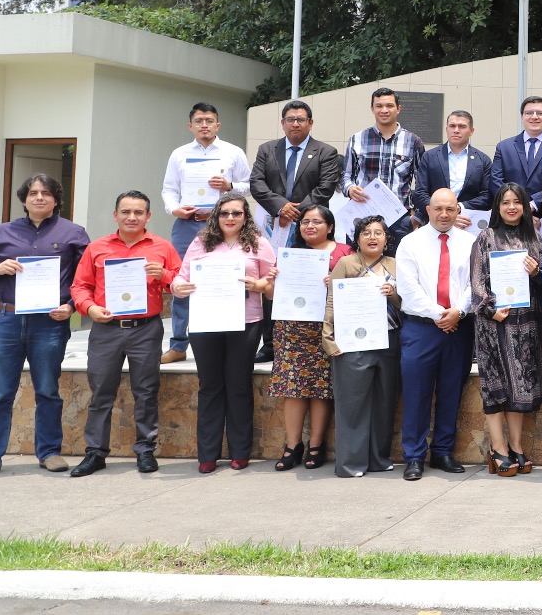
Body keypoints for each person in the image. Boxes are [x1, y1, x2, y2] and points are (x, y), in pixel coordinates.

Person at [69, 190, 181, 476]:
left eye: (138, 212)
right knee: (101, 393)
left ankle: (145, 450)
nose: (132, 217)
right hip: (106, 329)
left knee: (146, 392)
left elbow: (181, 284)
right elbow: (79, 286)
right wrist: (89, 308)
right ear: (115, 214)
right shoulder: (97, 247)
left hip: (146, 329)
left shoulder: (162, 247)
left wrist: (165, 276)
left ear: (148, 216)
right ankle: (95, 453)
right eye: (126, 212)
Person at [172, 190, 276, 472]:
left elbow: (273, 280)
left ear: (245, 217)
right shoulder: (201, 241)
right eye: (224, 213)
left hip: (245, 323)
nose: (230, 218)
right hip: (206, 323)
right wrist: (176, 286)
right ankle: (207, 454)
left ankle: (240, 451)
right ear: (217, 216)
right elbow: (182, 276)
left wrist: (260, 285)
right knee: (210, 386)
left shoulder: (258, 244)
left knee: (238, 384)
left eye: (237, 213)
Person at [0, 174, 90, 473]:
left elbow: (86, 279)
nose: (39, 197)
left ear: (56, 199)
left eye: (46, 193)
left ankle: (49, 452)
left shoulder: (73, 233)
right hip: (7, 319)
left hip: (50, 322)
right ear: (24, 199)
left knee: (48, 389)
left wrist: (72, 307)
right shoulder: (3, 232)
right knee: (0, 391)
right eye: (33, 193)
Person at [467, 183, 542, 478]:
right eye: (506, 203)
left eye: (517, 202)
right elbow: (477, 281)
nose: (512, 207)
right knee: (497, 387)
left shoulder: (535, 239)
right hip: (494, 324)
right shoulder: (485, 237)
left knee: (520, 389)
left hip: (526, 323)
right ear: (498, 207)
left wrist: (536, 272)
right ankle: (498, 450)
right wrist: (491, 309)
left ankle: (516, 447)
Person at [249, 99, 342, 363]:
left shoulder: (326, 151)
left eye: (301, 119)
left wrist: (297, 211)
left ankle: (311, 337)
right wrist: (281, 208)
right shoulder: (267, 149)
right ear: (283, 123)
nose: (296, 123)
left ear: (310, 123)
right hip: (274, 226)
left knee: (307, 279)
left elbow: (325, 187)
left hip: (309, 228)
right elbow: (257, 183)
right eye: (290, 119)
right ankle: (269, 343)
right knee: (272, 279)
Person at [392, 187, 475, 480]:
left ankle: (442, 451)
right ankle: (414, 456)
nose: (444, 214)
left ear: (458, 211)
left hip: (459, 327)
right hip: (421, 328)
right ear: (427, 210)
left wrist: (458, 313)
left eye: (450, 209)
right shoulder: (409, 243)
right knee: (417, 393)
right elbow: (408, 289)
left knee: (451, 390)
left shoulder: (470, 242)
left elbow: (473, 285)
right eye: (438, 208)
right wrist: (440, 314)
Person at [159, 101, 251, 363]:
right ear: (190, 126)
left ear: (217, 124)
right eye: (199, 121)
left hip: (224, 224)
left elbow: (249, 186)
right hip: (188, 224)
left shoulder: (233, 152)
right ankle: (178, 344)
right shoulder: (179, 154)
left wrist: (230, 185)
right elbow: (169, 189)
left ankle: (223, 339)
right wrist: (175, 209)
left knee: (227, 277)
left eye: (209, 121)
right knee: (181, 280)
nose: (204, 125)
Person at [268, 203, 348, 471]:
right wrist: (272, 281)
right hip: (291, 329)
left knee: (321, 389)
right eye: (305, 222)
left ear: (331, 227)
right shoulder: (290, 256)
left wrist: (336, 282)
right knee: (292, 388)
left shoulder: (345, 253)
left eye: (316, 222)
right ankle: (292, 446)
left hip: (327, 328)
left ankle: (316, 445)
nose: (310, 226)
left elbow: (357, 288)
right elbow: (270, 295)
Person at [324, 215, 403, 477]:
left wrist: (393, 294)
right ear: (357, 239)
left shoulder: (395, 264)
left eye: (378, 233)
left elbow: (406, 304)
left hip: (389, 341)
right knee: (353, 404)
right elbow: (332, 301)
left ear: (386, 239)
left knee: (383, 402)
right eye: (366, 232)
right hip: (352, 342)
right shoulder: (347, 263)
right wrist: (328, 338)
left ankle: (378, 458)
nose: (372, 237)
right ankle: (351, 463)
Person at [341, 88, 425, 252]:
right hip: (362, 215)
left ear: (398, 108)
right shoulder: (357, 139)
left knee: (398, 269)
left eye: (389, 105)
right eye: (379, 106)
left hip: (399, 218)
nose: (384, 110)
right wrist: (350, 189)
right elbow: (345, 176)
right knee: (358, 268)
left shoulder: (413, 141)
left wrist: (417, 218)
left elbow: (423, 184)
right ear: (372, 109)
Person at [489, 96, 542, 216]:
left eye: (540, 113)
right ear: (522, 117)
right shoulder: (504, 147)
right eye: (528, 113)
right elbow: (496, 180)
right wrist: (514, 206)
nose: (534, 117)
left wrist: (532, 206)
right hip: (509, 215)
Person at [412, 110, 493, 227]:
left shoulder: (483, 160)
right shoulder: (430, 157)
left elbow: (487, 197)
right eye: (452, 126)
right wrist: (443, 214)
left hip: (468, 224)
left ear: (471, 131)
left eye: (462, 126)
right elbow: (420, 194)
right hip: (434, 225)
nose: (456, 130)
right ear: (446, 129)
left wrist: (459, 208)